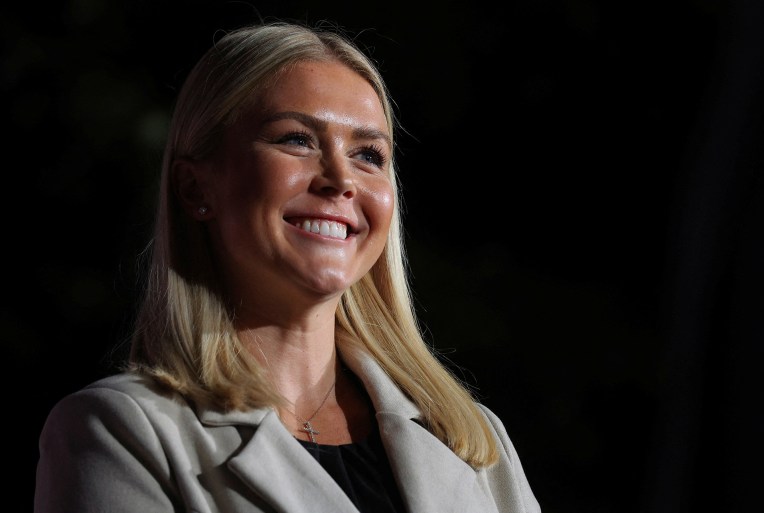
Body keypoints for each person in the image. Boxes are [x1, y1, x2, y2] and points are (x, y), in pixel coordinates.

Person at [34, 20, 540, 513]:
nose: (341, 179)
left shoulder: (472, 439)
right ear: (195, 188)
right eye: (296, 140)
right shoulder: (121, 430)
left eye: (368, 154)